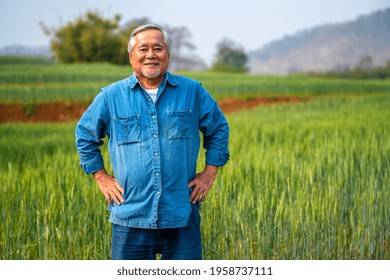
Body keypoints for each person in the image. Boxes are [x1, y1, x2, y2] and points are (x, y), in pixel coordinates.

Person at [75, 23, 229, 260]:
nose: (150, 55)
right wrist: (101, 177)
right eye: (143, 49)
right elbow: (85, 135)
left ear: (168, 54)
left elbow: (218, 128)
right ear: (131, 56)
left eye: (158, 48)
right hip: (130, 215)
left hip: (181, 213)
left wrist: (209, 174)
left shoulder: (192, 91)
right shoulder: (111, 96)